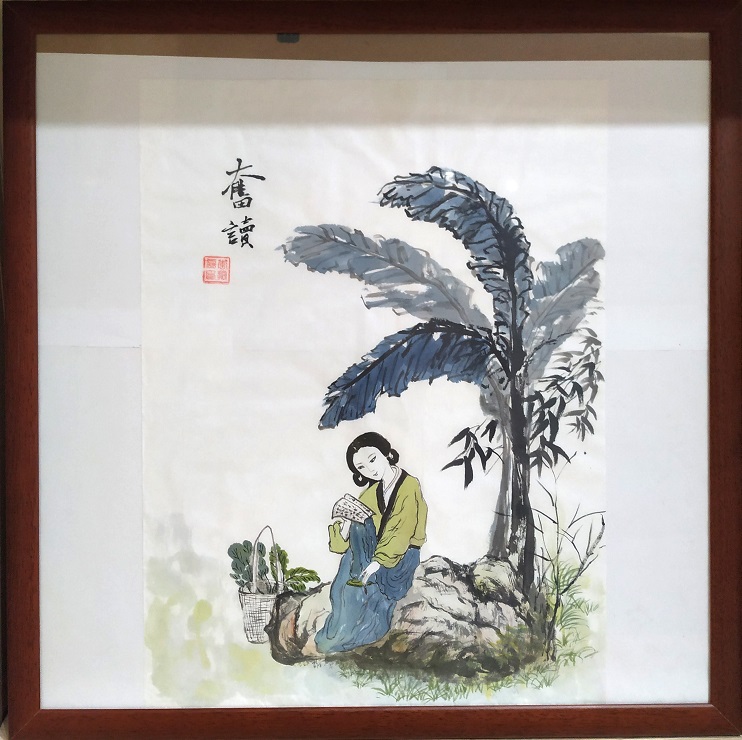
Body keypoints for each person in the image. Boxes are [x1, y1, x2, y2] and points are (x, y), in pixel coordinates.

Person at [315, 432, 427, 654]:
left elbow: (400, 531)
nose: (370, 469)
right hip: (372, 558)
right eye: (361, 467)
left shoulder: (409, 485)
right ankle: (338, 630)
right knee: (345, 577)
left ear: (386, 453)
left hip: (399, 560)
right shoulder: (369, 494)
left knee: (368, 593)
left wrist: (377, 563)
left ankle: (358, 631)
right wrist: (344, 525)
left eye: (372, 459)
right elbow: (342, 546)